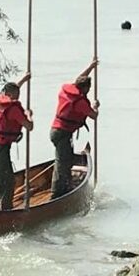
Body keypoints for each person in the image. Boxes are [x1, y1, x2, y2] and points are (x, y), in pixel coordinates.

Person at [0, 73, 34, 211]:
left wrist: (24, 79)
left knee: (9, 181)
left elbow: (13, 89)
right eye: (17, 94)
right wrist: (28, 114)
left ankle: (6, 210)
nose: (18, 97)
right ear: (12, 94)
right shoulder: (14, 109)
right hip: (1, 149)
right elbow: (29, 126)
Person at [50, 59, 100, 199]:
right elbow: (93, 115)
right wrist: (95, 105)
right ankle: (57, 193)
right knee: (63, 163)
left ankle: (65, 184)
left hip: (57, 130)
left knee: (64, 159)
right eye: (88, 89)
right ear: (84, 88)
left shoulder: (68, 92)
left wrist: (91, 66)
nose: (88, 92)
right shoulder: (80, 102)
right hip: (62, 133)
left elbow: (79, 78)